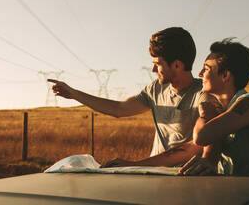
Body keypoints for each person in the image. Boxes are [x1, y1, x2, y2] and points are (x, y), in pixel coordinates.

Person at [48, 27, 213, 167]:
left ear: (177, 64)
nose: (154, 70)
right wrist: (75, 94)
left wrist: (136, 165)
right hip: (152, 178)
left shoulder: (203, 95)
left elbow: (195, 147)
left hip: (185, 180)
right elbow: (119, 109)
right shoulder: (155, 89)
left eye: (158, 64)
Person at [180, 38, 249, 177]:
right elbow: (195, 145)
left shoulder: (248, 104)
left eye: (206, 68)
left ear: (225, 75)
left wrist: (205, 115)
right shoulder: (223, 110)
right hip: (241, 190)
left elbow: (201, 137)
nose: (200, 74)